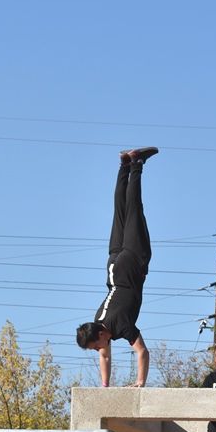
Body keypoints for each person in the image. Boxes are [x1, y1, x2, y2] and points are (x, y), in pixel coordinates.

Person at [75, 147, 158, 387]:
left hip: (131, 262)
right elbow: (105, 355)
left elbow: (142, 351)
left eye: (96, 345)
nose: (98, 350)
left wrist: (140, 381)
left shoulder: (120, 325)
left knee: (134, 210)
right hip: (112, 263)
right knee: (120, 213)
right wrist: (104, 386)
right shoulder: (98, 320)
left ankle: (137, 163)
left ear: (101, 335)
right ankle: (123, 165)